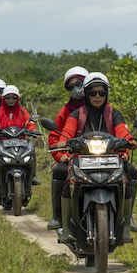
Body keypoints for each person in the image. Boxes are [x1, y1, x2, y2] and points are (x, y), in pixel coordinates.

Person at [58, 72, 137, 243]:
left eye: (101, 93)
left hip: (110, 159)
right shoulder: (76, 114)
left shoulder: (114, 113)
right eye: (93, 93)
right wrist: (63, 142)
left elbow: (122, 131)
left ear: (106, 94)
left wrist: (129, 141)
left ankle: (126, 225)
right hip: (82, 160)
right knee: (67, 182)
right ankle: (66, 228)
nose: (97, 96)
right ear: (86, 94)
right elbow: (67, 131)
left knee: (129, 174)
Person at [47, 66, 89, 230]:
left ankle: (123, 219)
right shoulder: (66, 111)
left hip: (100, 154)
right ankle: (58, 216)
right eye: (71, 87)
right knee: (59, 171)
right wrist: (61, 155)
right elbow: (55, 136)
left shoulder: (102, 107)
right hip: (74, 156)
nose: (76, 89)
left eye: (78, 83)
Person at [0, 85, 42, 185]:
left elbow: (29, 123)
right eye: (8, 97)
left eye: (14, 97)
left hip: (21, 142)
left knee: (31, 150)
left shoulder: (23, 111)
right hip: (1, 141)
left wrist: (33, 130)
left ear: (17, 98)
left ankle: (33, 176)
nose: (11, 100)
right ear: (4, 98)